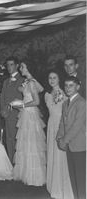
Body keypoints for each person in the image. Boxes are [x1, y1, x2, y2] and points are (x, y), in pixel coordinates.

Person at [11, 62, 46, 186]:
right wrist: (19, 103)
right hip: (26, 113)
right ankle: (25, 173)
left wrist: (22, 105)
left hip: (30, 115)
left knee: (32, 143)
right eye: (21, 67)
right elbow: (25, 93)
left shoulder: (31, 82)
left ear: (29, 68)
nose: (21, 69)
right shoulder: (28, 82)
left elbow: (36, 101)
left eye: (23, 67)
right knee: (25, 143)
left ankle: (35, 176)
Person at [45, 70, 74, 199]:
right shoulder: (48, 93)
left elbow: (63, 111)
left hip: (58, 125)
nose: (52, 80)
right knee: (52, 153)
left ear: (59, 79)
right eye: (50, 78)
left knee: (59, 154)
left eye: (54, 77)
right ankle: (53, 183)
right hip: (51, 124)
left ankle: (60, 186)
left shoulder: (59, 93)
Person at [56, 76, 86, 199]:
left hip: (80, 146)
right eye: (66, 85)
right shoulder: (65, 104)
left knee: (81, 180)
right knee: (73, 178)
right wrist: (59, 137)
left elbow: (77, 125)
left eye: (71, 85)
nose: (68, 88)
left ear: (78, 87)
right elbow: (63, 123)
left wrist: (65, 140)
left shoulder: (82, 103)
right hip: (69, 146)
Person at [0, 56, 25, 164]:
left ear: (17, 65)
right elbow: (3, 97)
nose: (9, 67)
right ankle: (11, 163)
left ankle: (19, 163)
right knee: (9, 139)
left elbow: (24, 98)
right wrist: (3, 110)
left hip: (17, 114)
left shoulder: (22, 80)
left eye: (11, 64)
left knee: (17, 139)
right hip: (7, 115)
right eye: (7, 65)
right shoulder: (6, 81)